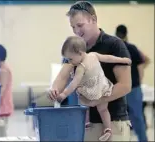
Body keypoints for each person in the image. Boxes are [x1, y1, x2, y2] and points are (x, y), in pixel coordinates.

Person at [49, 1, 132, 141]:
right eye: (73, 27)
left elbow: (125, 85)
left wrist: (97, 100)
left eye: (80, 25)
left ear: (93, 19)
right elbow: (63, 76)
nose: (76, 31)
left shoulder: (114, 45)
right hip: (87, 124)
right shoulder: (74, 47)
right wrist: (54, 90)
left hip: (114, 123)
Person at [57, 36, 131, 141]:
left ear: (80, 53)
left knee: (83, 102)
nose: (70, 62)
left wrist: (64, 94)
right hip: (102, 88)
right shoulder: (94, 55)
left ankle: (87, 123)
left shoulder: (80, 68)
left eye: (71, 59)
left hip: (91, 92)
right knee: (103, 109)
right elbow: (109, 58)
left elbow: (74, 83)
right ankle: (108, 128)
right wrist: (123, 60)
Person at [116, 24, 149, 141]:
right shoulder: (132, 48)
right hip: (133, 87)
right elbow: (140, 67)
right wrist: (138, 83)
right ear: (126, 34)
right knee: (138, 118)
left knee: (120, 120)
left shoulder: (115, 49)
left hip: (119, 89)